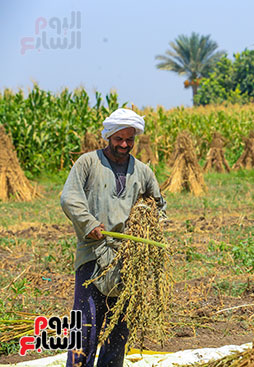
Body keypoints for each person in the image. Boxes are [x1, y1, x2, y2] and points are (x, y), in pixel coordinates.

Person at [61, 108, 166, 367]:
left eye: (129, 139)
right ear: (108, 136)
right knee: (85, 326)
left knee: (119, 329)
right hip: (93, 253)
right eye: (119, 138)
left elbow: (158, 207)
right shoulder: (88, 163)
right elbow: (69, 198)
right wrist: (89, 223)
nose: (124, 144)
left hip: (128, 260)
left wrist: (149, 225)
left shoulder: (143, 172)